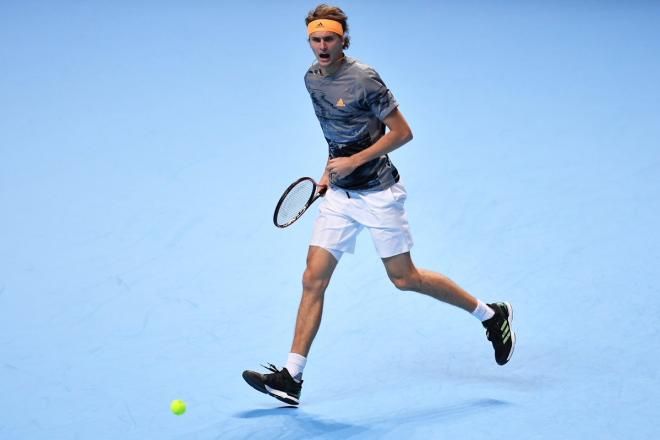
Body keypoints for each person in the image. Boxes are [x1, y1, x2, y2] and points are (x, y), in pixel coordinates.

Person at [242, 4, 516, 406]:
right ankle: (291, 377)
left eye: (329, 38)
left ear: (343, 39)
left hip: (378, 193)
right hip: (339, 196)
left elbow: (403, 132)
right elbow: (337, 137)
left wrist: (354, 161)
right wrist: (327, 173)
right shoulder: (312, 80)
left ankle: (491, 316)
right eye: (315, 39)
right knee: (312, 278)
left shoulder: (364, 79)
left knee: (405, 278)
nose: (321, 46)